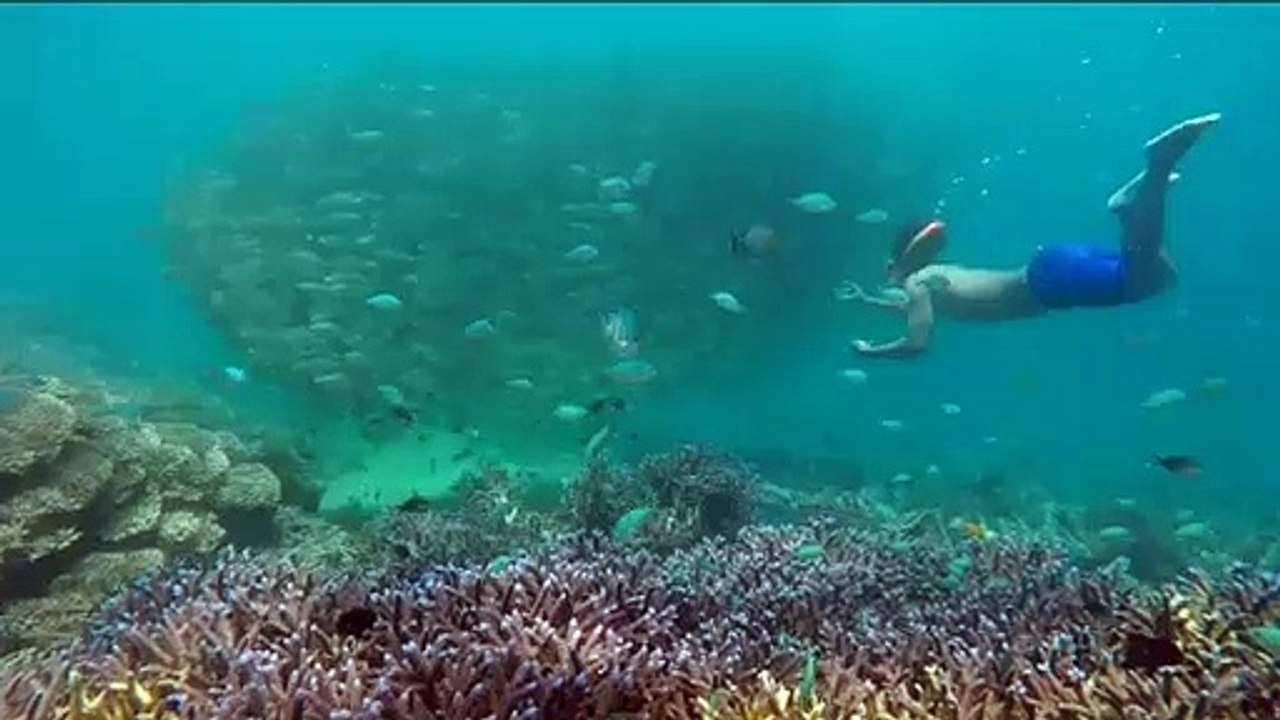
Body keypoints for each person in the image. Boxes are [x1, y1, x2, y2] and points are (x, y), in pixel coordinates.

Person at [843, 112, 1221, 360]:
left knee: (1142, 277)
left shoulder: (919, 283)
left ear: (900, 261)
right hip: (1047, 270)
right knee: (1161, 275)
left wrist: (870, 351)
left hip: (1050, 285)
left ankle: (1161, 161)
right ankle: (1124, 208)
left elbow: (917, 343)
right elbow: (916, 309)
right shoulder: (935, 280)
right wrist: (867, 302)